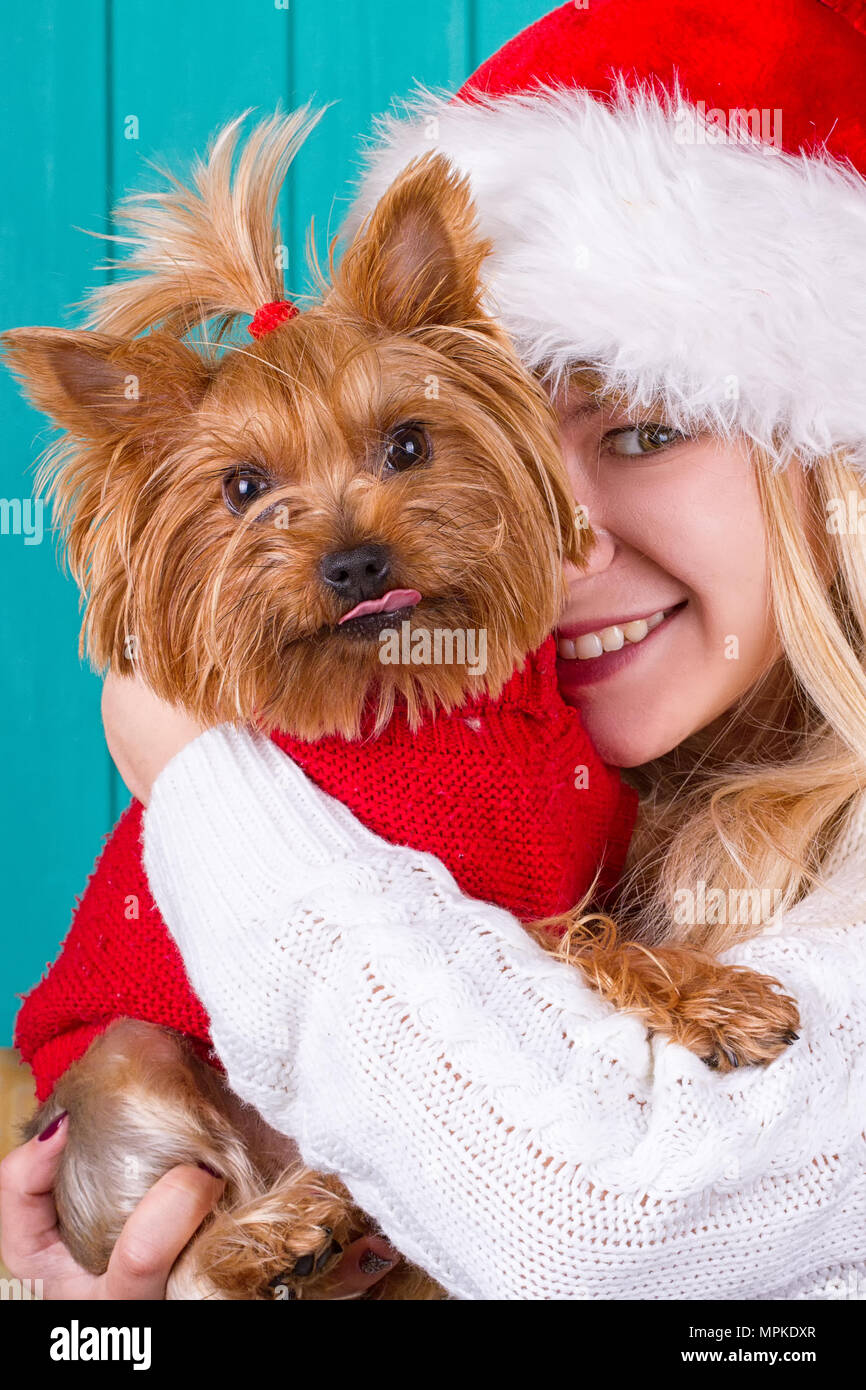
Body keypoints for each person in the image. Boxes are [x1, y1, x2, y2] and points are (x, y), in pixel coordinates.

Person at [3, 0, 866, 1298]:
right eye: (497, 449)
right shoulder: (580, 798)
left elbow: (587, 1217)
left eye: (640, 433)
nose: (553, 545)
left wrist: (204, 779)